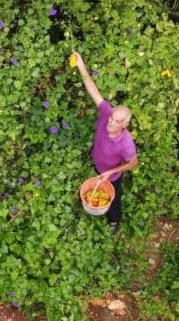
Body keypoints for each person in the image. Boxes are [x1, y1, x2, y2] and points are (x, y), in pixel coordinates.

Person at [72, 51, 138, 234]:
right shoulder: (107, 112)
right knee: (94, 183)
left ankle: (114, 221)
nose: (111, 122)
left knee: (114, 199)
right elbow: (92, 87)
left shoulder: (126, 144)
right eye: (112, 118)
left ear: (124, 124)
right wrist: (81, 65)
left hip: (112, 175)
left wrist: (112, 172)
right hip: (97, 163)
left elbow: (133, 163)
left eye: (117, 121)